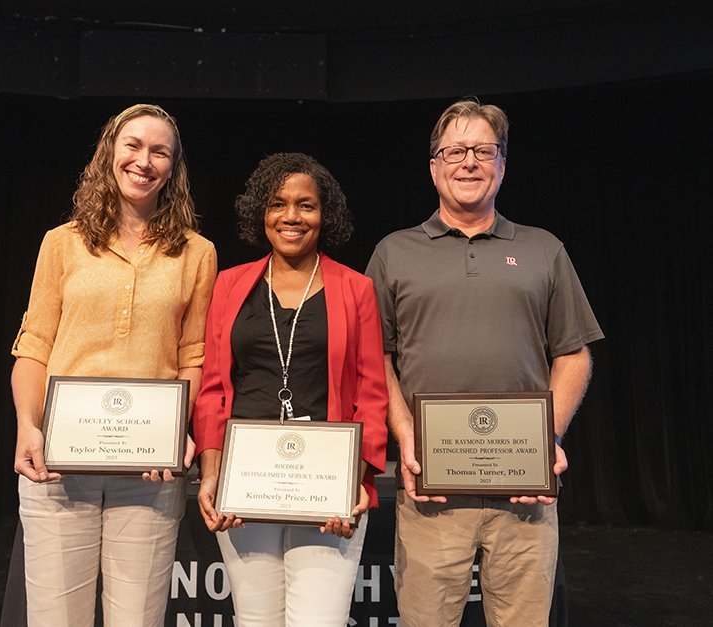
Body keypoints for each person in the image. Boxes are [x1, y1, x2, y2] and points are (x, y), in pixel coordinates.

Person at [366, 99, 604, 627]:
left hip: (523, 491)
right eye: (455, 151)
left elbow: (573, 354)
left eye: (483, 150)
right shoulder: (394, 252)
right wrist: (405, 435)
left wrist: (549, 440)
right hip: (431, 488)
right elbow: (374, 358)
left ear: (502, 164)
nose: (468, 162)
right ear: (434, 166)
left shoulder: (544, 249)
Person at [10, 103, 216, 626]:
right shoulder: (62, 243)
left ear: (173, 167)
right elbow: (34, 346)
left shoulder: (196, 253)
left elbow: (193, 357)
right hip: (59, 464)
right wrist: (27, 428)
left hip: (148, 472)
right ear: (110, 152)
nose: (143, 161)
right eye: (133, 145)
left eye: (159, 151)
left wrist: (176, 432)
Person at [194, 153, 388, 626]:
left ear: (326, 215)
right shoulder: (230, 284)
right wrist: (212, 475)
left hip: (326, 493)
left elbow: (371, 395)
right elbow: (215, 389)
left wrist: (355, 483)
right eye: (278, 204)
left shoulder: (356, 288)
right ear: (261, 213)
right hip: (246, 486)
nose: (292, 217)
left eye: (306, 205)